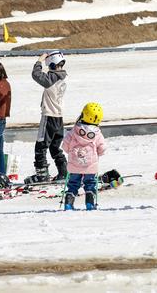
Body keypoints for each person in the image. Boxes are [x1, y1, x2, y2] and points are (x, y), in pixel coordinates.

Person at [25, 50, 69, 184]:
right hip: (59, 117)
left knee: (40, 147)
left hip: (49, 116)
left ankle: (42, 175)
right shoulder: (64, 76)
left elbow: (36, 74)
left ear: (52, 65)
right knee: (55, 147)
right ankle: (64, 172)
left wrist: (39, 60)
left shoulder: (51, 79)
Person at [61, 102, 107, 211]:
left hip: (74, 165)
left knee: (73, 184)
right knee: (90, 183)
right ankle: (90, 204)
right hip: (90, 166)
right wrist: (98, 153)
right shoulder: (97, 134)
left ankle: (68, 203)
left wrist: (71, 153)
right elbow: (102, 148)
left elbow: (65, 145)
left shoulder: (74, 130)